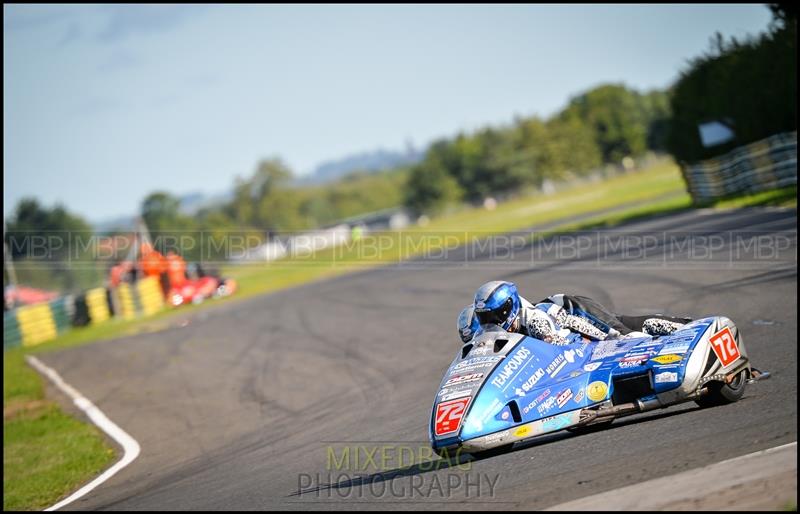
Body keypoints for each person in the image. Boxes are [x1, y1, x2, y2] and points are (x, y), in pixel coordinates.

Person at [471, 280, 691, 346]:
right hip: (561, 316)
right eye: (485, 318)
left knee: (624, 336)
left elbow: (574, 329)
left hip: (576, 311)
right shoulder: (493, 331)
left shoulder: (537, 323)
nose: (491, 322)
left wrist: (608, 338)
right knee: (630, 323)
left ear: (510, 308)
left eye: (494, 316)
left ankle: (688, 329)